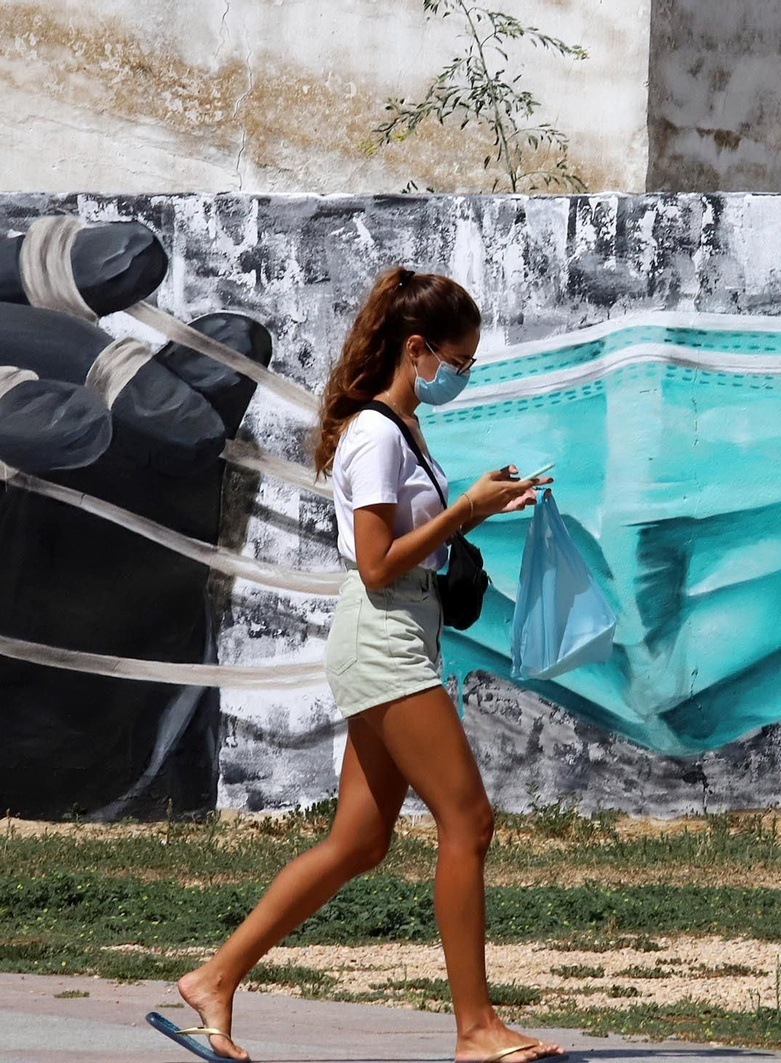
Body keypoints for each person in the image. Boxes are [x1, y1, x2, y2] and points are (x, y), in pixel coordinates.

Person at [173, 267, 559, 1063]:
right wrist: (464, 511)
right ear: (416, 348)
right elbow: (378, 563)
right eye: (458, 362)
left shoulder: (399, 428)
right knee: (468, 819)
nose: (462, 376)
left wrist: (486, 507)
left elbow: (409, 545)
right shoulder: (378, 433)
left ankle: (214, 976)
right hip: (383, 633)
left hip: (399, 631)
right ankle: (475, 1028)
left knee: (359, 840)